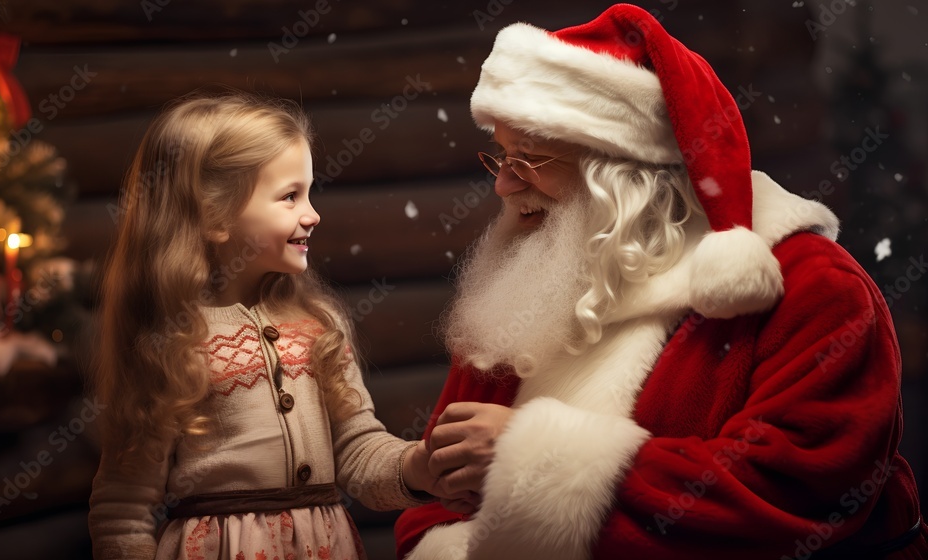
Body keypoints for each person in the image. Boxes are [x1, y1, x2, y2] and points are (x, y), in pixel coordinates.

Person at [395, 4, 928, 559]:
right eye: (500, 156)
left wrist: (530, 461)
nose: (504, 186)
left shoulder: (814, 288)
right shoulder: (530, 277)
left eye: (529, 159)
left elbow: (801, 491)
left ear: (623, 174)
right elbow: (443, 489)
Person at [88, 91, 471, 560]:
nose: (313, 214)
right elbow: (123, 509)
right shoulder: (172, 341)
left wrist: (418, 467)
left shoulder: (318, 324)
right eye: (290, 196)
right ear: (214, 215)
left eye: (309, 193)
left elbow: (358, 451)